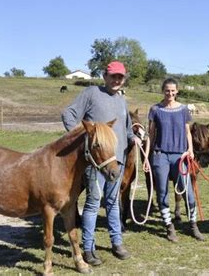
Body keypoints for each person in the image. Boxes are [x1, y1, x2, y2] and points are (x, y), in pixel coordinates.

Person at [62, 61, 141, 266]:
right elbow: (68, 114)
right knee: (93, 203)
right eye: (113, 76)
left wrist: (135, 138)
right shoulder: (91, 93)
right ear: (105, 77)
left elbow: (126, 128)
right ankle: (88, 248)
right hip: (96, 163)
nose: (116, 80)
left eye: (120, 77)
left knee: (113, 202)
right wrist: (82, 139)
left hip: (118, 160)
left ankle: (117, 242)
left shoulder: (122, 100)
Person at [143, 78, 205, 242]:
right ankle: (169, 227)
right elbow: (150, 135)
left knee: (188, 192)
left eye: (172, 90)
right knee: (162, 192)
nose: (170, 93)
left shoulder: (183, 109)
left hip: (180, 156)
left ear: (177, 91)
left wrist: (190, 150)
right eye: (167, 90)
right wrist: (146, 157)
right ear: (162, 91)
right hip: (160, 155)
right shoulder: (155, 109)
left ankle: (193, 225)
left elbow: (187, 132)